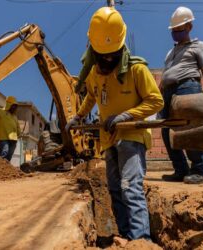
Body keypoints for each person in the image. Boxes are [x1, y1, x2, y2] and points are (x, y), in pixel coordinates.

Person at [66, 7, 164, 243]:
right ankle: (125, 234)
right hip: (108, 139)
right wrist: (79, 117)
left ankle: (141, 241)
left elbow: (155, 100)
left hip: (132, 137)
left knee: (130, 187)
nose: (107, 61)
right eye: (103, 57)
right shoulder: (93, 74)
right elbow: (91, 95)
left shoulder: (136, 69)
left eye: (112, 56)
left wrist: (126, 116)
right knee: (114, 190)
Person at [159, 6, 203, 184]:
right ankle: (181, 170)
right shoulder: (170, 52)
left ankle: (200, 171)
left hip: (187, 87)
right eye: (173, 31)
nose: (176, 33)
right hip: (167, 93)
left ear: (189, 27)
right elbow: (166, 75)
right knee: (167, 131)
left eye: (179, 30)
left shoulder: (199, 46)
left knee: (188, 129)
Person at [0, 96, 21, 161]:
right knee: (5, 151)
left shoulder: (15, 117)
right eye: (13, 105)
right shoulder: (1, 111)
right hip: (3, 137)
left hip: (13, 139)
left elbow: (17, 127)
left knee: (9, 155)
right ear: (9, 104)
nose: (14, 107)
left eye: (15, 106)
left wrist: (19, 133)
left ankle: (5, 168)